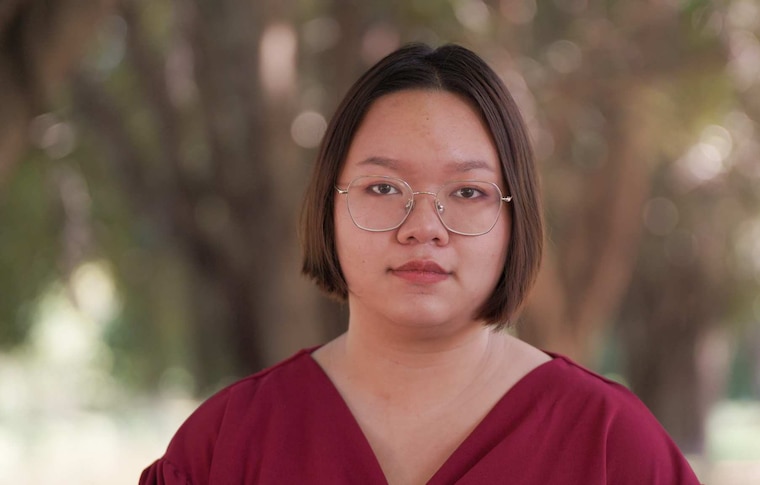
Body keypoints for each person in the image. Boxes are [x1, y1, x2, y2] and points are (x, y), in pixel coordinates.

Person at [140, 43, 701, 485]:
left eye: (468, 192)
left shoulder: (611, 447)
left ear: (516, 219)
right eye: (383, 186)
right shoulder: (224, 447)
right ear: (328, 206)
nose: (423, 227)